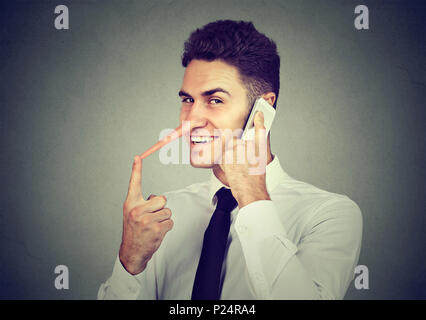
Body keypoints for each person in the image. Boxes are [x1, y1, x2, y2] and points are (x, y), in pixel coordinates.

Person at [97, 20, 362, 300]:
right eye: (187, 100)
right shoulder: (160, 218)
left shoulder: (329, 215)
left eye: (215, 100)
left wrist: (252, 195)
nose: (190, 121)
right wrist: (129, 264)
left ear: (263, 108)